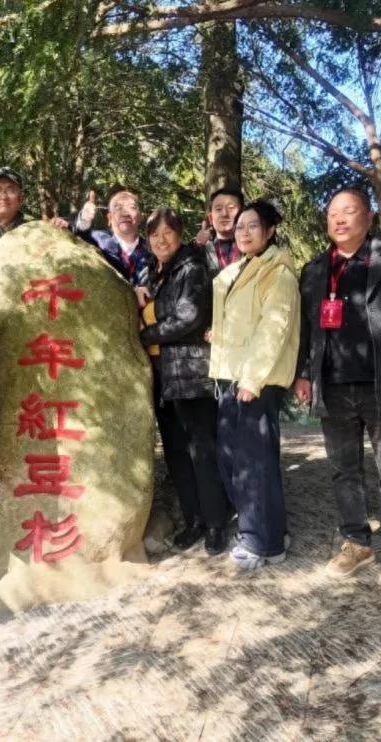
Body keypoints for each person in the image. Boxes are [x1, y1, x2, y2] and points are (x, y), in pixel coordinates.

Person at [295, 188, 381, 593]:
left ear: (367, 217)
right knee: (344, 469)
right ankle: (356, 540)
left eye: (349, 211)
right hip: (333, 384)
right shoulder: (315, 269)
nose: (339, 219)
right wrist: (303, 374)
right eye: (333, 213)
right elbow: (306, 328)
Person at [208, 200, 300, 570]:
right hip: (232, 375)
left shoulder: (277, 272)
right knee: (233, 458)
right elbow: (242, 320)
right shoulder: (241, 269)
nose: (244, 233)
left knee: (253, 463)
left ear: (270, 231)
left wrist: (253, 379)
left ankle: (259, 541)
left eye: (252, 226)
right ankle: (272, 535)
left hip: (254, 381)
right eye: (240, 227)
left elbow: (273, 329)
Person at [139, 207, 230, 555]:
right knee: (177, 454)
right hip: (163, 378)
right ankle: (194, 520)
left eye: (168, 232)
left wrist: (145, 336)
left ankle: (216, 523)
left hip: (190, 374)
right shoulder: (156, 273)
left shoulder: (192, 267)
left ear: (179, 234)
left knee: (202, 452)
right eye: (154, 235)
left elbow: (188, 317)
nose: (161, 240)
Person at [58, 186, 152, 288]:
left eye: (131, 207)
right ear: (109, 218)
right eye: (118, 208)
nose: (125, 213)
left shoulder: (153, 250)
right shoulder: (98, 239)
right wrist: (84, 219)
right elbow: (77, 234)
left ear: (140, 216)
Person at [193, 187, 245, 276]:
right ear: (210, 217)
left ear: (243, 214)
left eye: (231, 208)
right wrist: (196, 247)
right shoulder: (198, 250)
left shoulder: (254, 248)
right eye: (218, 209)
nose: (224, 214)